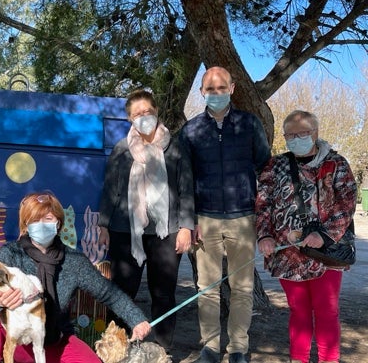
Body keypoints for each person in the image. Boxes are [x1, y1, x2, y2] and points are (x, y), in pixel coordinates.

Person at [0, 191, 152, 363]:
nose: (41, 224)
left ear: (58, 223)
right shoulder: (10, 254)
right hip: (16, 343)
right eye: (35, 220)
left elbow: (109, 294)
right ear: (26, 225)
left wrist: (136, 319)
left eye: (48, 219)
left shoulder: (74, 261)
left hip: (55, 340)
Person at [179, 66, 271, 363]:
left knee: (242, 289)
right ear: (202, 92)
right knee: (207, 290)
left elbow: (265, 169)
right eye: (210, 88)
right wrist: (186, 222)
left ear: (232, 88)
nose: (216, 93)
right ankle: (209, 347)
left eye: (222, 88)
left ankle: (238, 349)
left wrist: (263, 216)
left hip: (243, 219)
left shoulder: (249, 124)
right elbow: (184, 181)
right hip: (204, 221)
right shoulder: (191, 130)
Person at [97, 89, 195, 350]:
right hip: (125, 231)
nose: (143, 117)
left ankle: (162, 348)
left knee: (163, 293)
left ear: (156, 112)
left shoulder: (176, 147)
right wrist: (103, 225)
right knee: (122, 291)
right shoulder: (121, 149)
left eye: (147, 112)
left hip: (168, 231)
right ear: (129, 119)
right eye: (137, 114)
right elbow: (110, 189)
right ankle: (116, 347)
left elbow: (186, 188)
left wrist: (187, 226)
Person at [256, 110, 356, 363]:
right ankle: (298, 359)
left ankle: (328, 360)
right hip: (287, 253)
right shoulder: (274, 165)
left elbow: (347, 203)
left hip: (324, 254)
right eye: (290, 134)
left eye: (302, 133)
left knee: (326, 312)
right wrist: (264, 236)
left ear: (315, 133)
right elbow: (263, 204)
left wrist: (325, 235)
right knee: (298, 311)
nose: (295, 138)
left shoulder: (335, 163)